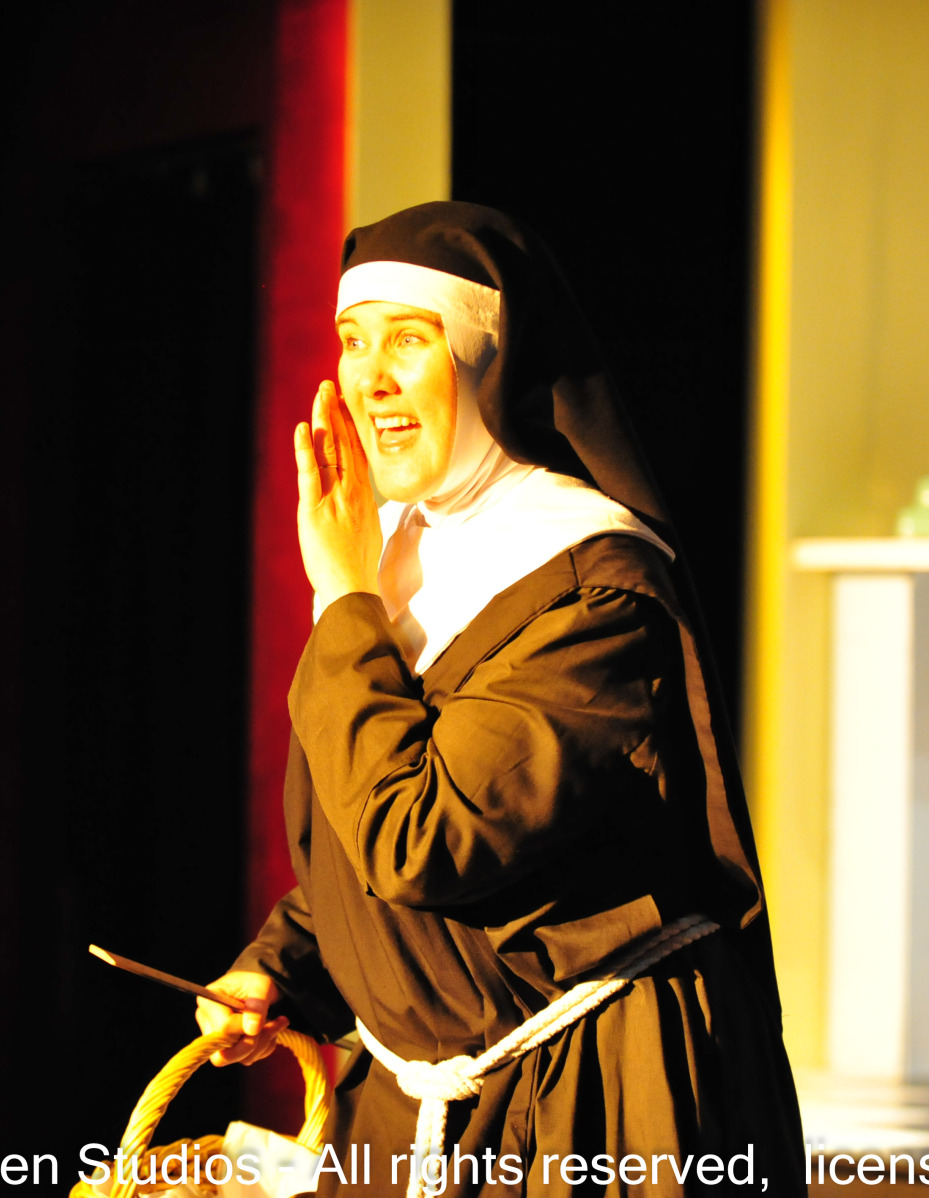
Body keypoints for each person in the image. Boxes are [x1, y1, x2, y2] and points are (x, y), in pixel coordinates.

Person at [197, 202, 806, 1197]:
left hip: (583, 1103)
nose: (370, 378)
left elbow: (425, 838)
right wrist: (284, 965)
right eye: (353, 340)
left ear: (489, 355)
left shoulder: (594, 588)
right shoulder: (394, 554)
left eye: (409, 339)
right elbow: (361, 833)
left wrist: (344, 598)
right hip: (418, 1101)